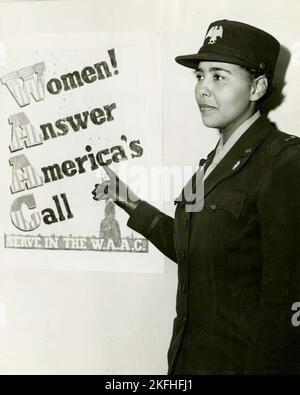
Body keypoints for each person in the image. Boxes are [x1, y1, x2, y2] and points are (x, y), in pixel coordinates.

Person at [92, 19, 300, 374]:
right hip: (189, 362)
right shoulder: (213, 162)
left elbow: (286, 308)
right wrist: (131, 202)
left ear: (257, 87)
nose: (202, 89)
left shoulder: (286, 164)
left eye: (218, 76)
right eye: (199, 76)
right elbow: (194, 252)